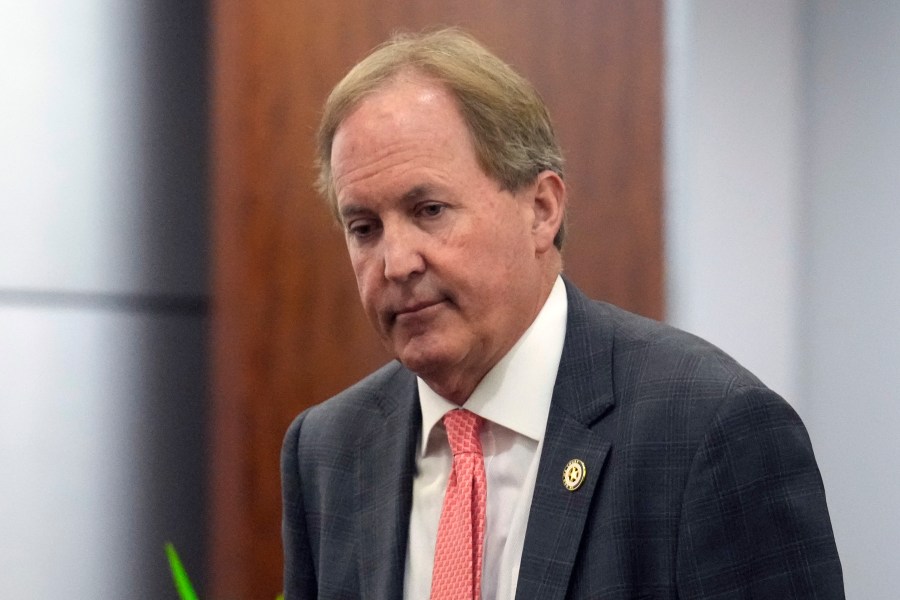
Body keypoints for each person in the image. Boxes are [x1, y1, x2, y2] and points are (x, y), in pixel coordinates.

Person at [281, 28, 844, 599]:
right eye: (364, 229)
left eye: (429, 210)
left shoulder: (708, 430)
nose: (395, 263)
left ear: (541, 210)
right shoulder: (329, 450)